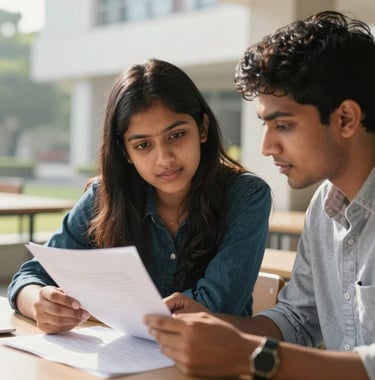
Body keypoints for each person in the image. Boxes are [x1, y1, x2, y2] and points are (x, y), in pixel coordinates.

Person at [144, 11, 375, 380]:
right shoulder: (325, 207)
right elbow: (296, 319)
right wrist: (209, 327)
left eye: (283, 125)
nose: (266, 147)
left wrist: (251, 357)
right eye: (265, 126)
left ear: (346, 118)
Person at [7, 58, 271, 334]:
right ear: (125, 152)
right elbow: (31, 275)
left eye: (177, 135)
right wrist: (38, 301)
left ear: (202, 129)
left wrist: (106, 311)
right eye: (143, 145)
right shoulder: (105, 195)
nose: (164, 159)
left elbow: (215, 308)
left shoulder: (246, 196)